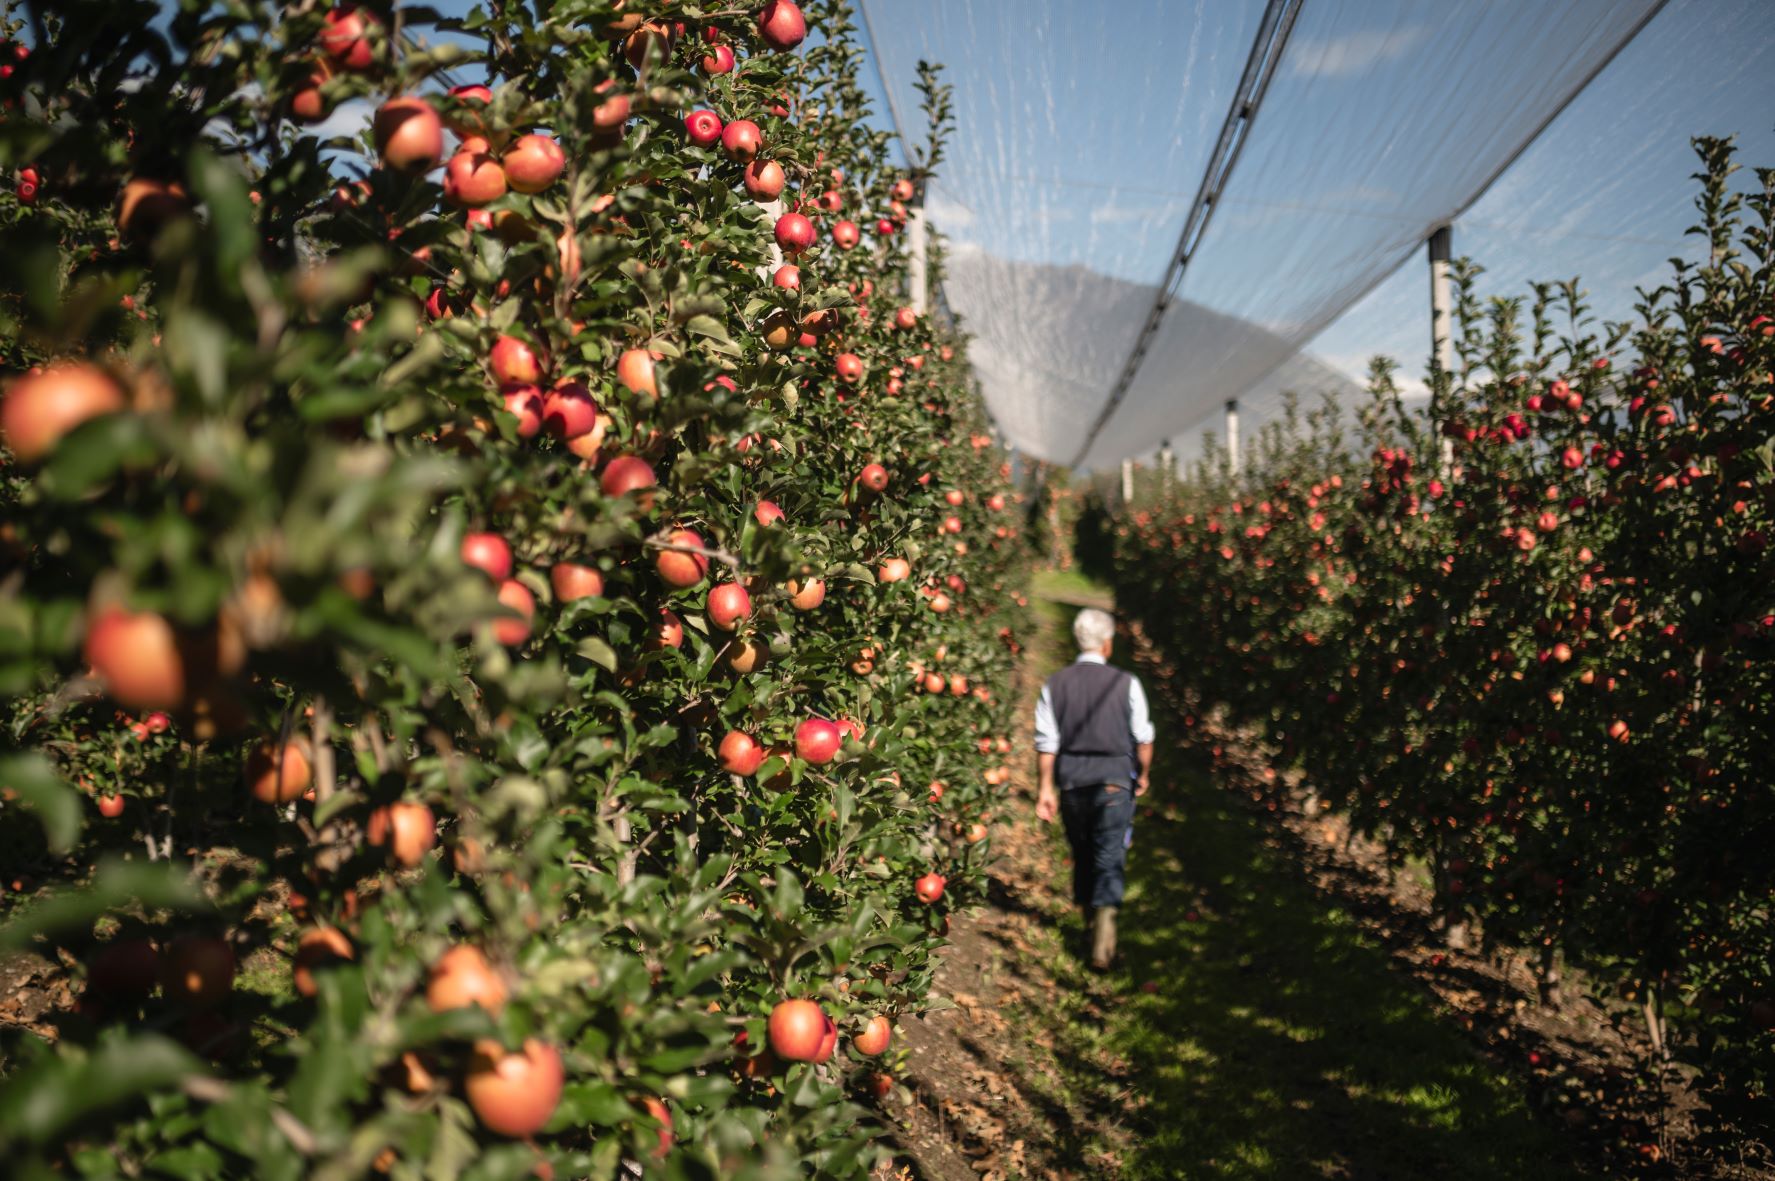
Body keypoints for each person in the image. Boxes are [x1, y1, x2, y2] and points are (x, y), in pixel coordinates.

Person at [1033, 607, 1155, 970]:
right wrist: (1144, 773)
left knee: (1083, 851)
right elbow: (1144, 736)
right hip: (1114, 781)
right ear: (1107, 644)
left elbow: (1047, 742)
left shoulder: (1054, 684)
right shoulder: (1126, 683)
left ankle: (1091, 926)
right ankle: (1103, 946)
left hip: (1072, 782)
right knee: (1109, 856)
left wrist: (1045, 789)